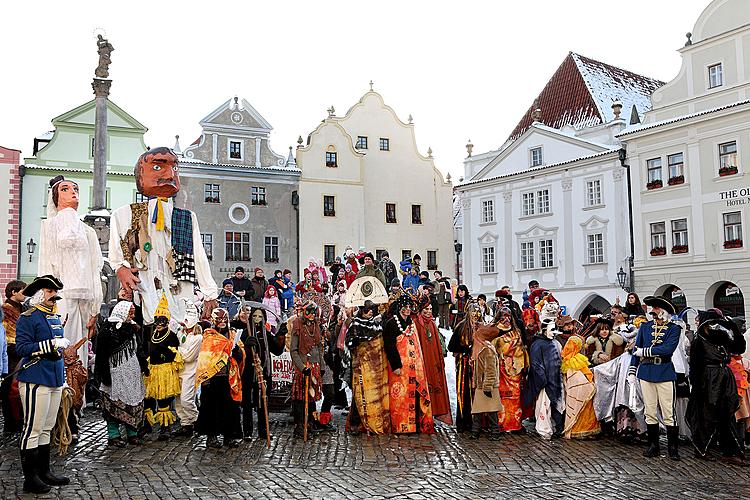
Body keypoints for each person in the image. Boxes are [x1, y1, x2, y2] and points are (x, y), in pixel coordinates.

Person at [110, 148, 218, 328]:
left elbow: (199, 256)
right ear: (141, 175)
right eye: (159, 167)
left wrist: (210, 293)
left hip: (180, 289)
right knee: (151, 330)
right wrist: (121, 269)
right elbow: (115, 253)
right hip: (144, 286)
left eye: (174, 168)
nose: (170, 174)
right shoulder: (124, 214)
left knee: (182, 332)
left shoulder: (187, 217)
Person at [38, 176, 102, 371]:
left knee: (79, 350)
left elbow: (95, 268)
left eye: (76, 188)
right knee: (59, 345)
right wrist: (46, 297)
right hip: (60, 295)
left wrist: (95, 309)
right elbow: (45, 262)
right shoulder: (49, 226)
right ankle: (57, 394)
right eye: (65, 189)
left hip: (84, 297)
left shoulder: (87, 231)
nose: (73, 192)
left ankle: (76, 399)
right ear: (55, 196)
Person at [15, 275, 70, 494]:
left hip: (54, 377)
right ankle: (30, 479)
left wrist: (62, 378)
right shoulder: (29, 317)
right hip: (35, 377)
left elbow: (59, 352)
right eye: (49, 292)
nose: (53, 297)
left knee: (47, 427)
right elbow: (22, 348)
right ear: (38, 294)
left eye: (53, 293)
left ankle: (44, 471)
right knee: (33, 429)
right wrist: (51, 343)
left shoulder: (54, 316)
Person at [687, 313, 748, 465]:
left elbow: (739, 348)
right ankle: (702, 448)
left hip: (724, 375)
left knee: (728, 413)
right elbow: (694, 363)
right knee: (707, 414)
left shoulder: (724, 338)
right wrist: (697, 384)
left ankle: (731, 451)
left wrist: (734, 328)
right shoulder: (699, 339)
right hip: (708, 377)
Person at [628, 295, 681, 460]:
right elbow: (636, 348)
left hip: (664, 371)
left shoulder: (674, 328)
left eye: (656, 308)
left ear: (664, 311)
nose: (653, 311)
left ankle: (673, 448)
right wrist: (632, 370)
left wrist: (644, 352)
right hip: (646, 371)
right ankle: (653, 445)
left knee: (668, 412)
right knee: (649, 411)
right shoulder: (645, 327)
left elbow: (667, 349)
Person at [95, 300, 147, 447]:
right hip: (115, 373)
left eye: (133, 312)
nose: (132, 315)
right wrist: (104, 375)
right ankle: (113, 435)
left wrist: (144, 365)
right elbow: (101, 355)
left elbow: (139, 349)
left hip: (132, 373)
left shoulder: (133, 328)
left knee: (133, 403)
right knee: (113, 404)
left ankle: (132, 433)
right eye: (130, 312)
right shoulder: (107, 331)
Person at [383, 294, 434, 434]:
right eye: (404, 307)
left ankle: (414, 425)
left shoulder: (411, 324)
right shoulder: (391, 324)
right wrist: (396, 366)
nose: (407, 310)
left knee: (413, 395)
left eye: (409, 307)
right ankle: (400, 425)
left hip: (412, 367)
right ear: (399, 307)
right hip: (399, 368)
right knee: (400, 396)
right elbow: (389, 346)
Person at [195, 308, 244, 448]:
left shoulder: (233, 335)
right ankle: (212, 436)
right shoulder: (210, 337)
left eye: (224, 320)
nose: (222, 323)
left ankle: (229, 436)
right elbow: (205, 358)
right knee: (212, 409)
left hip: (229, 378)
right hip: (213, 378)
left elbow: (240, 357)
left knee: (230, 408)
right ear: (214, 321)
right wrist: (206, 381)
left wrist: (237, 351)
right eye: (219, 320)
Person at [236, 306, 284, 441]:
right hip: (248, 373)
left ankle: (263, 431)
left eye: (260, 317)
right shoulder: (245, 332)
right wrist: (246, 344)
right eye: (255, 316)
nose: (257, 319)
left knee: (263, 402)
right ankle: (247, 431)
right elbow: (238, 353)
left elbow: (277, 350)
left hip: (263, 373)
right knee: (247, 403)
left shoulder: (266, 333)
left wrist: (281, 336)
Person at [143, 293, 183, 441]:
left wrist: (164, 350)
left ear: (167, 322)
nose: (159, 324)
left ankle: (165, 427)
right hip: (152, 370)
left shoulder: (171, 336)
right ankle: (147, 423)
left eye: (162, 321)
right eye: (157, 321)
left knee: (164, 400)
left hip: (165, 371)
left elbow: (176, 355)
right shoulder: (152, 333)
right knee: (148, 398)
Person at [346, 301, 390, 434]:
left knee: (374, 395)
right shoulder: (355, 324)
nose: (370, 312)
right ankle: (356, 423)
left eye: (372, 309)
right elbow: (348, 343)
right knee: (358, 396)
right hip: (361, 366)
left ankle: (374, 420)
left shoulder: (376, 325)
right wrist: (356, 342)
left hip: (375, 368)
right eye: (367, 310)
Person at [413, 296, 452, 424]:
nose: (428, 311)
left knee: (435, 385)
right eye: (426, 309)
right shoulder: (416, 322)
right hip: (423, 360)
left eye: (430, 309)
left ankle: (434, 411)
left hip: (433, 360)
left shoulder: (431, 323)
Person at [524, 319, 564, 440]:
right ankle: (545, 430)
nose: (554, 332)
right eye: (552, 330)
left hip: (556, 379)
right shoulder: (537, 344)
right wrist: (543, 380)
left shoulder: (557, 343)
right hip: (545, 382)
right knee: (544, 406)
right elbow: (536, 364)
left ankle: (559, 427)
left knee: (557, 405)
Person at [289, 301, 325, 438]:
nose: (311, 315)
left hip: (315, 366)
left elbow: (319, 348)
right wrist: (302, 367)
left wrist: (321, 366)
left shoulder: (316, 325)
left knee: (312, 398)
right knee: (300, 398)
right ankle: (299, 426)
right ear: (303, 312)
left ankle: (310, 423)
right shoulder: (297, 326)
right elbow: (294, 351)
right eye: (308, 312)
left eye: (313, 312)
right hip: (303, 367)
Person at [493, 307, 528, 433]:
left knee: (516, 397)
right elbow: (493, 350)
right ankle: (502, 424)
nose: (506, 319)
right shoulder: (496, 331)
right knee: (503, 397)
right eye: (503, 316)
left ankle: (515, 424)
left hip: (516, 368)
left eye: (509, 316)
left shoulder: (516, 330)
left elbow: (522, 346)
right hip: (503, 369)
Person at [449, 301, 481, 432]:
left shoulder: (482, 327)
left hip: (479, 365)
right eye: (474, 311)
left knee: (478, 393)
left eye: (478, 311)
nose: (476, 314)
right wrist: (466, 349)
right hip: (464, 366)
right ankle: (464, 422)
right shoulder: (461, 327)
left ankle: (478, 423)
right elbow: (451, 346)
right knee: (465, 393)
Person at [560, 335, 601, 439]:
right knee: (581, 409)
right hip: (580, 389)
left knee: (584, 410)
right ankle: (578, 430)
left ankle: (586, 430)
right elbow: (576, 378)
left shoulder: (574, 359)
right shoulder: (572, 360)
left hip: (583, 389)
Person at [469, 322, 502, 440]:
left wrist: (487, 386)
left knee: (491, 411)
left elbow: (490, 370)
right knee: (478, 411)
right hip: (482, 385)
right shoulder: (484, 348)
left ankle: (494, 432)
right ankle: (475, 431)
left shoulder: (487, 351)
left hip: (487, 386)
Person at [1, 279, 26, 434]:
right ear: (13, 292)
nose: (25, 294)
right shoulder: (6, 309)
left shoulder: (21, 308)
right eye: (23, 291)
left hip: (20, 351)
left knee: (18, 390)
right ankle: (11, 425)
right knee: (9, 390)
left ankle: (18, 422)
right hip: (11, 353)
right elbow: (6, 333)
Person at [175, 300, 203, 436]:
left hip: (190, 372)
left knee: (186, 399)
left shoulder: (198, 338)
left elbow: (189, 357)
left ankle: (196, 419)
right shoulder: (181, 334)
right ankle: (185, 424)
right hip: (178, 371)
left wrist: (177, 350)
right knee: (179, 400)